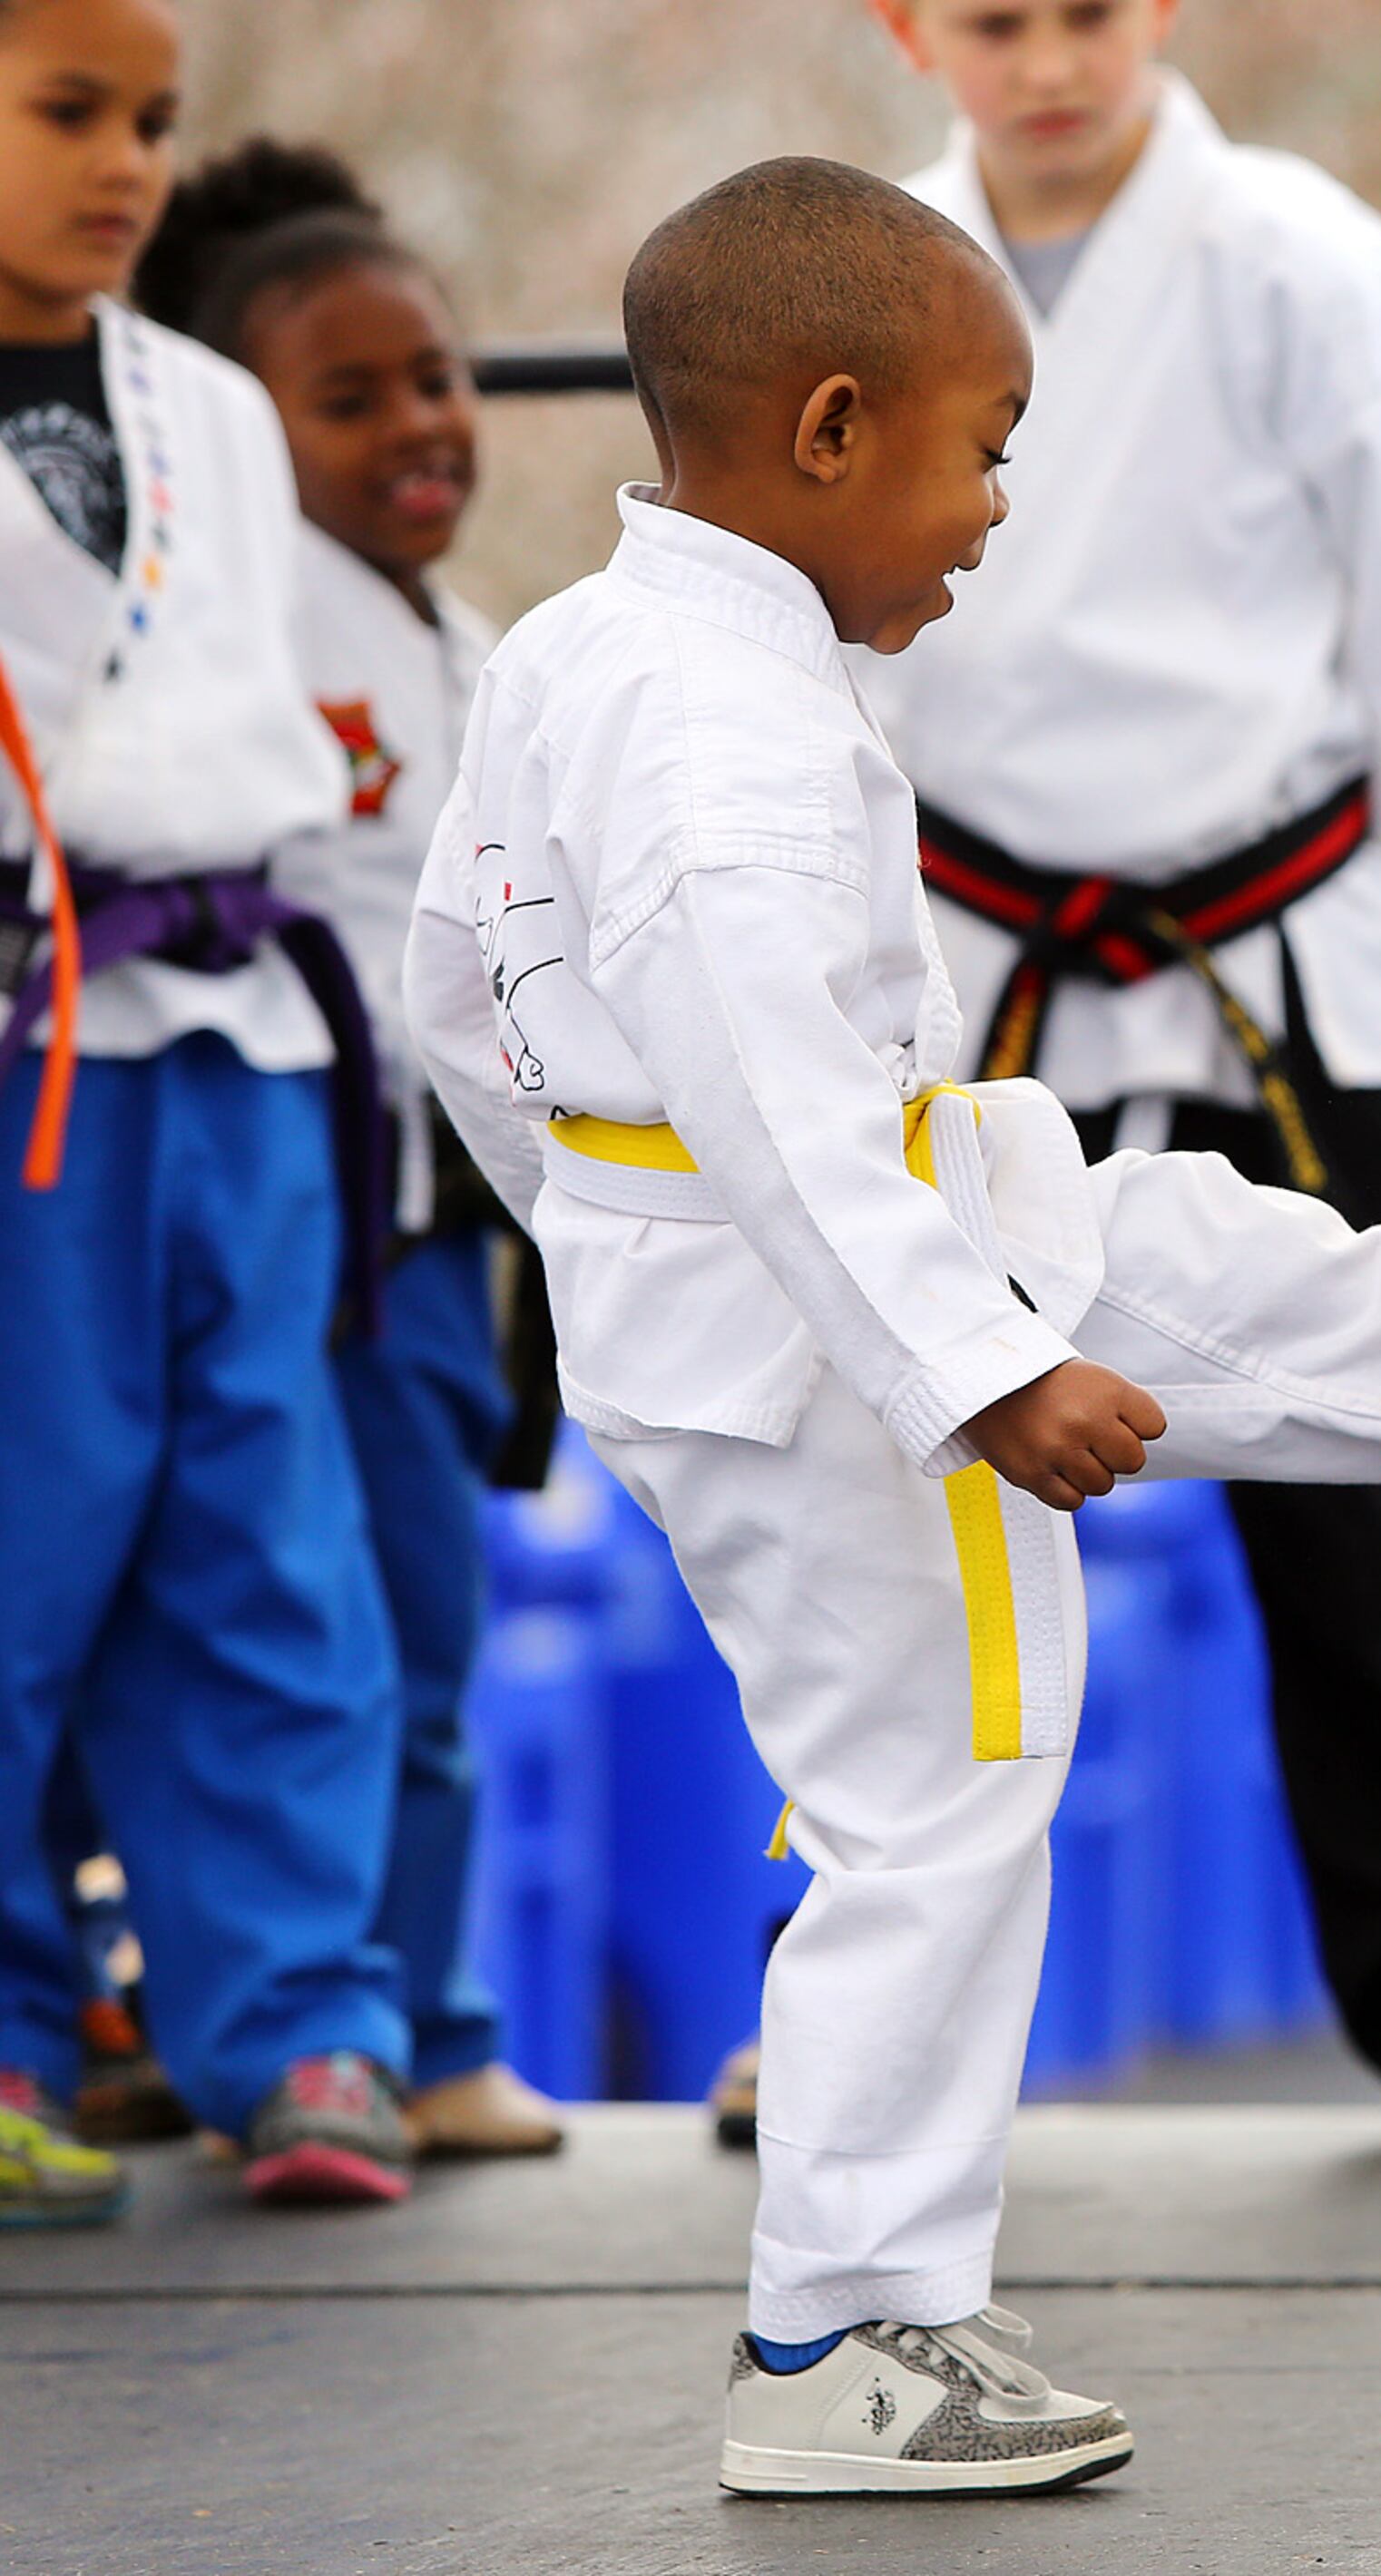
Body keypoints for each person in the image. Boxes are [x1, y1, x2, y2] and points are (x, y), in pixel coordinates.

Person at [401, 156, 1381, 2494]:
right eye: (985, 444)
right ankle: (845, 2340)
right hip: (839, 1330)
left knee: (1245, 1267)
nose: (1002, 506)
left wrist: (607, 1234)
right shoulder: (708, 730)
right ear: (823, 432)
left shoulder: (592, 648)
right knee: (943, 1798)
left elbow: (468, 1018)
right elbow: (770, 1105)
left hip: (867, 1236)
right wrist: (972, 1373)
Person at [853, 0, 1381, 2146]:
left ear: (1152, 11)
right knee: (912, 1441)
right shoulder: (864, 266)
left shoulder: (1301, 257)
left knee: (1364, 1420)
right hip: (976, 940)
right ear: (914, 30)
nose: (1048, 60)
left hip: (1274, 932)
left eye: (1085, 10)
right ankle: (865, 1965)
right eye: (994, 20)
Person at [98, 139, 563, 2162]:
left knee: (417, 1626)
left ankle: (417, 2016)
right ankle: (269, 2011)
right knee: (251, 1617)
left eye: (440, 376)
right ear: (218, 422)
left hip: (424, 1229)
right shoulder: (217, 619)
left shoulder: (469, 638)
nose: (422, 425)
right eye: (350, 396)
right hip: (271, 1202)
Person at [0, 0, 417, 2220]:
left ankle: (301, 2024)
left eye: (151, 122)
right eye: (69, 113)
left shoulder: (218, 414)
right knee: (16, 1536)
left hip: (240, 1037)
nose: (125, 166)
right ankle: (9, 2039)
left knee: (269, 1532)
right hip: (21, 1053)